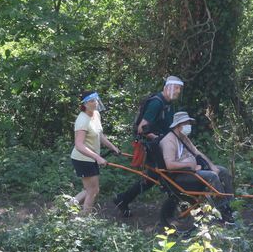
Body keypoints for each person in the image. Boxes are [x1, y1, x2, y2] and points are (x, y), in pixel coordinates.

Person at [113, 76, 184, 217]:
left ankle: (123, 199)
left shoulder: (168, 104)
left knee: (152, 178)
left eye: (179, 89)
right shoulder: (157, 103)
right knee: (167, 174)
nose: (178, 91)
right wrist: (160, 139)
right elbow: (142, 128)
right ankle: (177, 206)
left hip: (162, 145)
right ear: (167, 88)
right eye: (176, 88)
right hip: (154, 147)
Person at [159, 111, 235, 223]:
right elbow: (170, 165)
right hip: (181, 175)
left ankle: (231, 203)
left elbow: (197, 152)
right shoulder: (169, 141)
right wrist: (190, 165)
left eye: (189, 123)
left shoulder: (183, 137)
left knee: (223, 171)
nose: (188, 125)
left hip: (193, 170)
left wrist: (211, 165)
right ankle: (223, 211)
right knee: (213, 176)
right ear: (178, 125)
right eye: (186, 123)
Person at [70, 91, 121, 215]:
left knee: (90, 190)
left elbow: (100, 136)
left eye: (96, 100)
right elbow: (79, 145)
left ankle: (64, 208)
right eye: (91, 101)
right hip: (82, 159)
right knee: (93, 190)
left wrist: (113, 147)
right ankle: (84, 220)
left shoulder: (96, 114)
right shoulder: (82, 120)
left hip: (91, 158)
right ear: (85, 104)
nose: (95, 103)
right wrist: (97, 157)